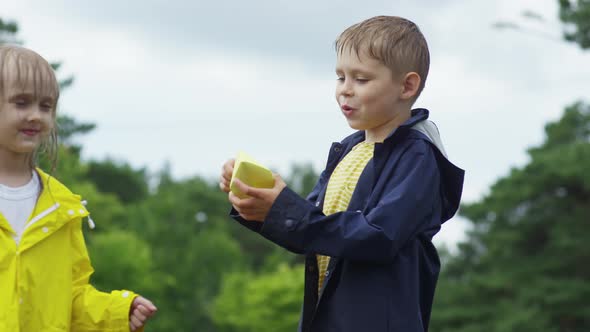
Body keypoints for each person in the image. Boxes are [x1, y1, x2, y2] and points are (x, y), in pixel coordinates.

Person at [220, 15, 464, 332]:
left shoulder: (417, 155)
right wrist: (260, 204)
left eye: (361, 79)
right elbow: (313, 227)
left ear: (407, 85)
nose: (345, 91)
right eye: (340, 78)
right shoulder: (349, 149)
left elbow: (378, 236)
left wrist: (286, 209)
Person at [0, 44, 157, 331]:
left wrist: (117, 312)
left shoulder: (62, 207)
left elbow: (72, 298)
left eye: (45, 106)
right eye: (21, 102)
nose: (36, 115)